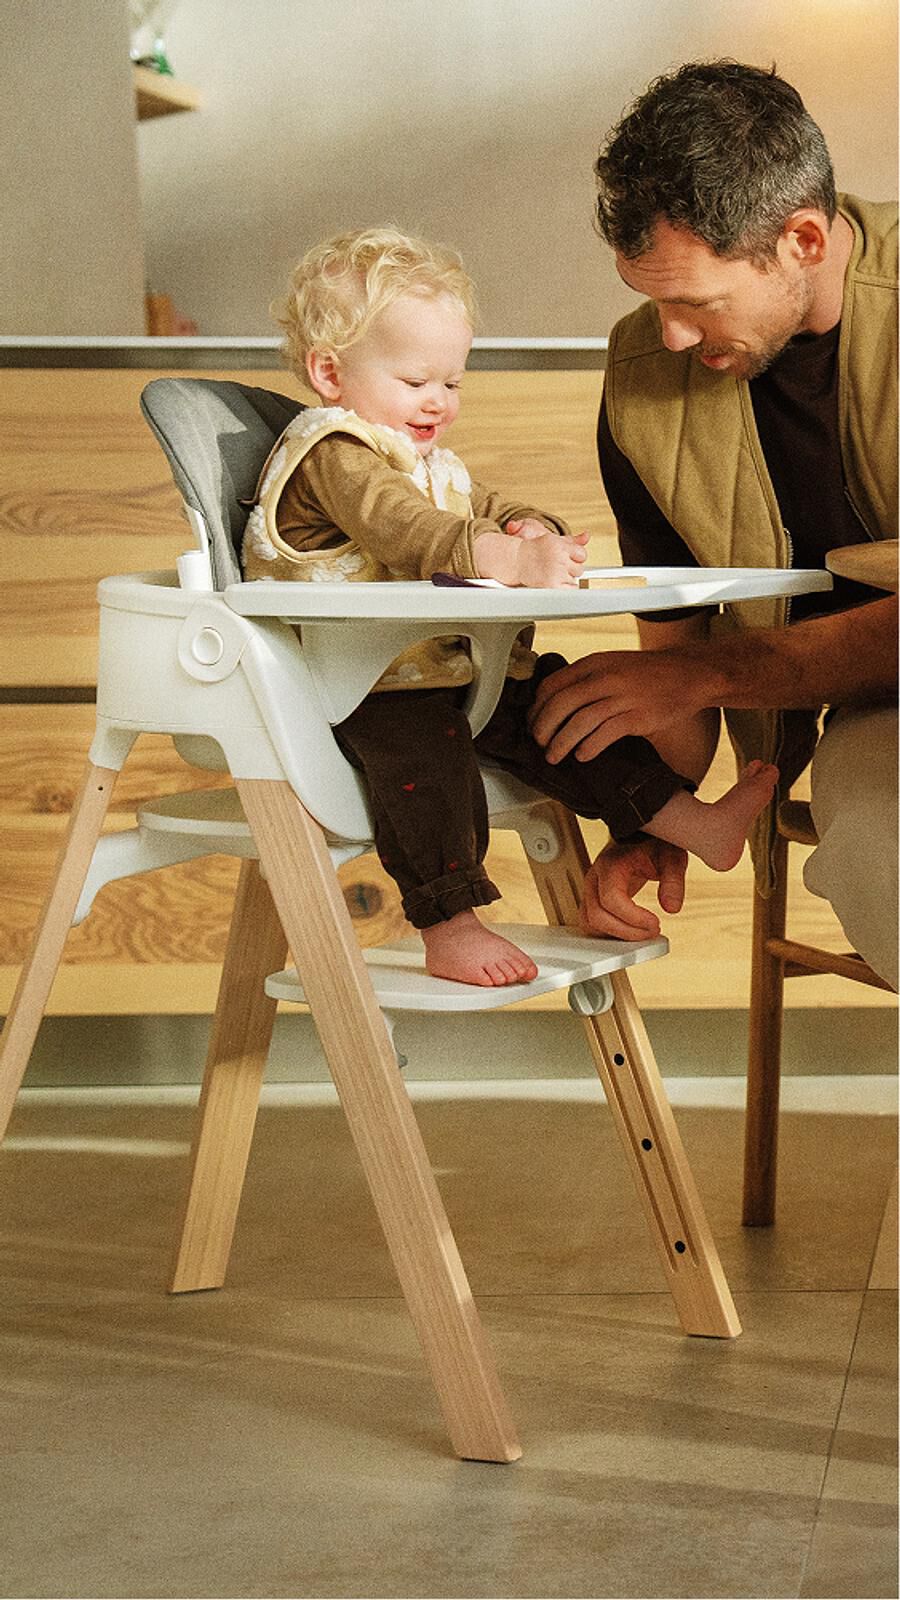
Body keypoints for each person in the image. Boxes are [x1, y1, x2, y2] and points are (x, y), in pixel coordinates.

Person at [242, 226, 778, 987]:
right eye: (416, 381)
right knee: (424, 759)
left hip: (446, 674)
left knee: (566, 703)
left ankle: (693, 822)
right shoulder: (334, 456)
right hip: (355, 686)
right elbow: (408, 529)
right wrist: (498, 555)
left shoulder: (429, 462)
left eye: (453, 384)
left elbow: (487, 503)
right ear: (330, 372)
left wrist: (534, 528)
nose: (439, 402)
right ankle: (449, 921)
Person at [529, 61, 898, 988]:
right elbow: (673, 655)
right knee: (884, 848)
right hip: (880, 721)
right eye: (652, 298)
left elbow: (691, 672)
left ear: (803, 239)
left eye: (696, 301)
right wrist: (650, 817)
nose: (673, 337)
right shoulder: (647, 387)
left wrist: (702, 674)